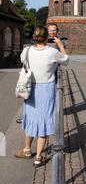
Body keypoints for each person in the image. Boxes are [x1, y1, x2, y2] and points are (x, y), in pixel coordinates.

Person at [15, 26, 69, 166]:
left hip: (30, 88)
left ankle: (27, 149)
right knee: (44, 120)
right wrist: (60, 45)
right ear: (47, 37)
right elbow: (66, 60)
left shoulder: (26, 51)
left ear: (34, 36)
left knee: (30, 118)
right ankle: (38, 157)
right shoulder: (52, 52)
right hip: (46, 89)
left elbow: (22, 61)